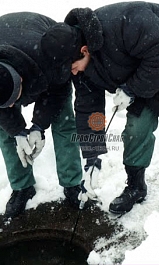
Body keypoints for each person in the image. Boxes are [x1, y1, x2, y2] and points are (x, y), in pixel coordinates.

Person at [41, 2, 159, 215]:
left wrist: (132, 88)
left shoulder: (123, 22)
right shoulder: (78, 62)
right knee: (135, 128)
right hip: (146, 75)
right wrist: (92, 157)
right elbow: (89, 109)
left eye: (73, 67)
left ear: (84, 50)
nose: (74, 73)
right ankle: (136, 186)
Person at [0, 12, 82, 219]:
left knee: (63, 122)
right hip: (9, 43)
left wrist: (38, 127)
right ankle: (22, 187)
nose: (12, 106)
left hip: (41, 51)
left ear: (20, 82)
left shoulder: (50, 56)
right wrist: (17, 131)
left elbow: (58, 92)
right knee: (4, 131)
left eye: (14, 100)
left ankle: (72, 184)